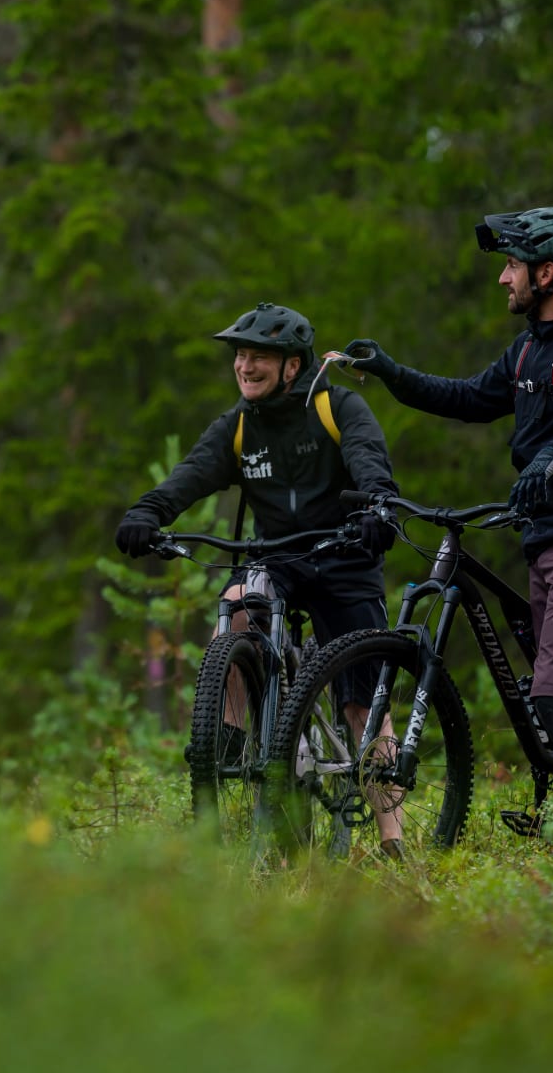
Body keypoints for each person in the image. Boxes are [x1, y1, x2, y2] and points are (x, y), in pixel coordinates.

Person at [346, 207, 553, 810]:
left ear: (545, 274)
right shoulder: (529, 350)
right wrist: (389, 373)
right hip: (550, 535)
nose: (502, 278)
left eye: (511, 265)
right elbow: (467, 398)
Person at [113, 303, 402, 847]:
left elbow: (370, 463)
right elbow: (190, 475)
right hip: (279, 561)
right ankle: (227, 734)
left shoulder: (337, 407)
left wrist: (377, 508)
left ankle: (394, 842)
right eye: (240, 356)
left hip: (345, 559)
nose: (245, 366)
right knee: (239, 599)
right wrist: (146, 512)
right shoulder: (239, 426)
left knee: (365, 705)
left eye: (258, 357)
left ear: (292, 365)